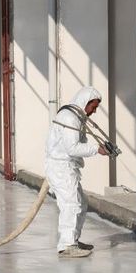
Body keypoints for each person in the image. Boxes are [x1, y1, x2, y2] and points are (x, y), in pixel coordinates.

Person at [45, 86, 108, 258]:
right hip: (61, 168)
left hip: (67, 168)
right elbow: (72, 148)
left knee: (81, 202)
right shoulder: (70, 118)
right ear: (85, 102)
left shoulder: (76, 117)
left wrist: (98, 147)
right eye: (93, 107)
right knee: (71, 204)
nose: (94, 111)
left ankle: (73, 239)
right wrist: (97, 149)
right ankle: (66, 246)